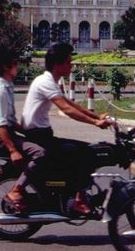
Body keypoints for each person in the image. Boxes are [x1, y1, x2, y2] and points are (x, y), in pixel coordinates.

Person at [21, 43, 112, 216]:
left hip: (42, 134)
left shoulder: (50, 81)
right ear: (58, 64)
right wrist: (95, 123)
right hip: (39, 137)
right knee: (87, 152)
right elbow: (66, 109)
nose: (72, 66)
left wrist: (97, 116)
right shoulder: (45, 82)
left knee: (80, 151)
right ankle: (79, 200)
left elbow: (71, 104)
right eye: (69, 62)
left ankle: (72, 192)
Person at [0, 47, 44, 214]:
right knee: (39, 153)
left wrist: (28, 131)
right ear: (5, 67)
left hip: (6, 132)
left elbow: (10, 121)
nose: (18, 66)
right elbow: (1, 125)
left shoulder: (6, 85)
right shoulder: (0, 90)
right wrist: (13, 150)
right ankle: (16, 191)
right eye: (15, 64)